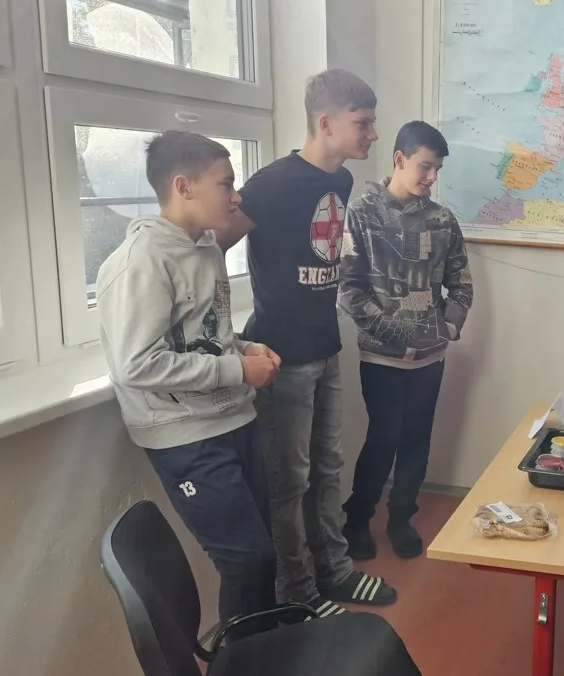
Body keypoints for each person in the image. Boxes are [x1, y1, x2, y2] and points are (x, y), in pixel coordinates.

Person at [219, 69, 397, 616]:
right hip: (281, 356)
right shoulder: (272, 183)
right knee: (289, 483)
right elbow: (211, 245)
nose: (372, 134)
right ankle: (297, 592)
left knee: (328, 468)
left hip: (325, 347)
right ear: (325, 123)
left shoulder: (341, 181)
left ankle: (335, 571)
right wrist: (220, 333)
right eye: (362, 123)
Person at [96, 131, 280, 626]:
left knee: (264, 553)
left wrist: (243, 348)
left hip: (234, 417)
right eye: (226, 184)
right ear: (183, 186)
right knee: (246, 561)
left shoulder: (206, 247)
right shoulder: (140, 264)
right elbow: (137, 364)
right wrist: (237, 368)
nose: (236, 197)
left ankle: (270, 648)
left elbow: (204, 334)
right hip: (188, 438)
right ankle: (247, 658)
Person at [339, 121, 473, 560]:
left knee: (417, 439)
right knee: (383, 439)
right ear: (399, 159)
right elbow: (349, 290)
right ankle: (357, 520)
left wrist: (447, 327)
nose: (431, 177)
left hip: (430, 359)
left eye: (437, 170)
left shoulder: (442, 220)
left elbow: (461, 284)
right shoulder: (362, 214)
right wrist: (394, 333)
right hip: (381, 358)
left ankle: (400, 518)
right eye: (425, 167)